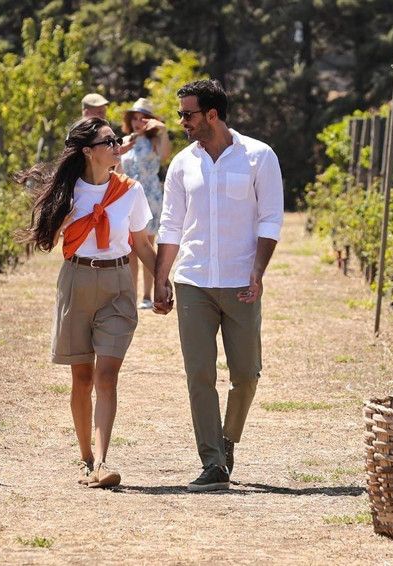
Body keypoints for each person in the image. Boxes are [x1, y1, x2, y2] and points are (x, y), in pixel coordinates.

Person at [153, 79, 284, 492]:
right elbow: (170, 224)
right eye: (180, 114)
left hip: (241, 281)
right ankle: (212, 461)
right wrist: (160, 278)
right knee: (199, 373)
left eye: (187, 114)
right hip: (193, 281)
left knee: (246, 373)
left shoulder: (259, 156)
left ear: (212, 114)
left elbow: (270, 219)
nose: (182, 122)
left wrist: (258, 272)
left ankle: (228, 439)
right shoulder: (182, 164)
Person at [16, 117, 160, 489]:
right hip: (76, 281)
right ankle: (86, 460)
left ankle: (104, 461)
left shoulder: (130, 191)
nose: (116, 146)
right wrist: (61, 220)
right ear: (87, 151)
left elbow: (142, 244)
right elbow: (48, 240)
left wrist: (163, 281)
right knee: (81, 378)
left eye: (116, 140)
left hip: (117, 283)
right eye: (108, 142)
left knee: (106, 375)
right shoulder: (68, 192)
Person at [120, 98, 171, 308]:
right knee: (130, 249)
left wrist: (163, 130)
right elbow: (117, 168)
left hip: (150, 197)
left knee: (147, 246)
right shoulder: (125, 141)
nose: (138, 123)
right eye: (134, 118)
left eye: (143, 119)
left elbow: (166, 156)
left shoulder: (156, 141)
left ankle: (147, 296)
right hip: (127, 196)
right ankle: (132, 296)